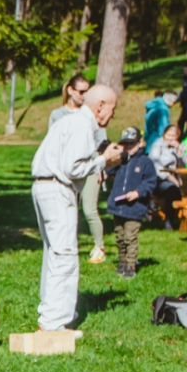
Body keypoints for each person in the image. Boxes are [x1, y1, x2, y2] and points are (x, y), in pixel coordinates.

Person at [31, 84, 125, 333]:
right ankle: (54, 323)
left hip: (43, 186)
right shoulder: (83, 124)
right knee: (65, 256)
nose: (113, 115)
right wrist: (105, 160)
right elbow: (73, 168)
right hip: (58, 188)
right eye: (112, 108)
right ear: (100, 105)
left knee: (53, 254)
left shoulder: (67, 121)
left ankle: (49, 316)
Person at [49, 75, 107, 263]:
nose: (84, 96)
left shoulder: (90, 115)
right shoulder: (58, 115)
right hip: (66, 169)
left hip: (90, 165)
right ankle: (67, 246)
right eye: (81, 91)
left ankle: (99, 246)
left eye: (86, 92)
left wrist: (100, 165)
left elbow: (101, 144)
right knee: (67, 210)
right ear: (70, 91)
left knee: (89, 208)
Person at [107, 128, 157, 279]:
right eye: (125, 144)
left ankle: (131, 265)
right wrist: (113, 152)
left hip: (134, 208)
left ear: (140, 143)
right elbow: (109, 170)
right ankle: (122, 261)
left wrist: (138, 192)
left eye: (132, 144)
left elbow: (150, 182)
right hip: (118, 206)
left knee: (130, 237)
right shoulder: (121, 160)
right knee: (120, 237)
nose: (128, 147)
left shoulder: (145, 162)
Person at [148, 125, 186, 229]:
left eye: (173, 136)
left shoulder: (179, 146)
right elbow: (155, 166)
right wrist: (171, 178)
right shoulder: (157, 145)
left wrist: (179, 152)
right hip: (159, 179)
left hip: (177, 178)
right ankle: (168, 221)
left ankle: (181, 219)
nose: (170, 138)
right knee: (172, 189)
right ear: (164, 134)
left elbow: (186, 164)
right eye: (168, 135)